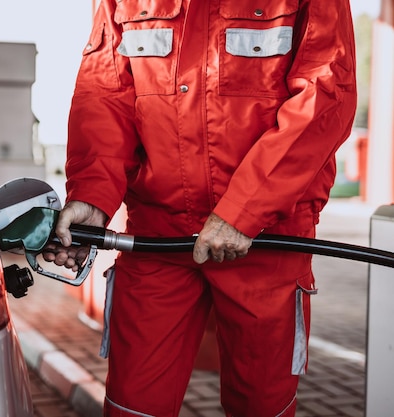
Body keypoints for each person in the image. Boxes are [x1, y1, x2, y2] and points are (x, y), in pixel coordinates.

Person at [42, 0, 357, 416]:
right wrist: (91, 199)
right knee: (133, 404)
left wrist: (245, 210)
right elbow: (104, 94)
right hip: (156, 238)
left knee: (262, 406)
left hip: (268, 238)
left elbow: (325, 95)